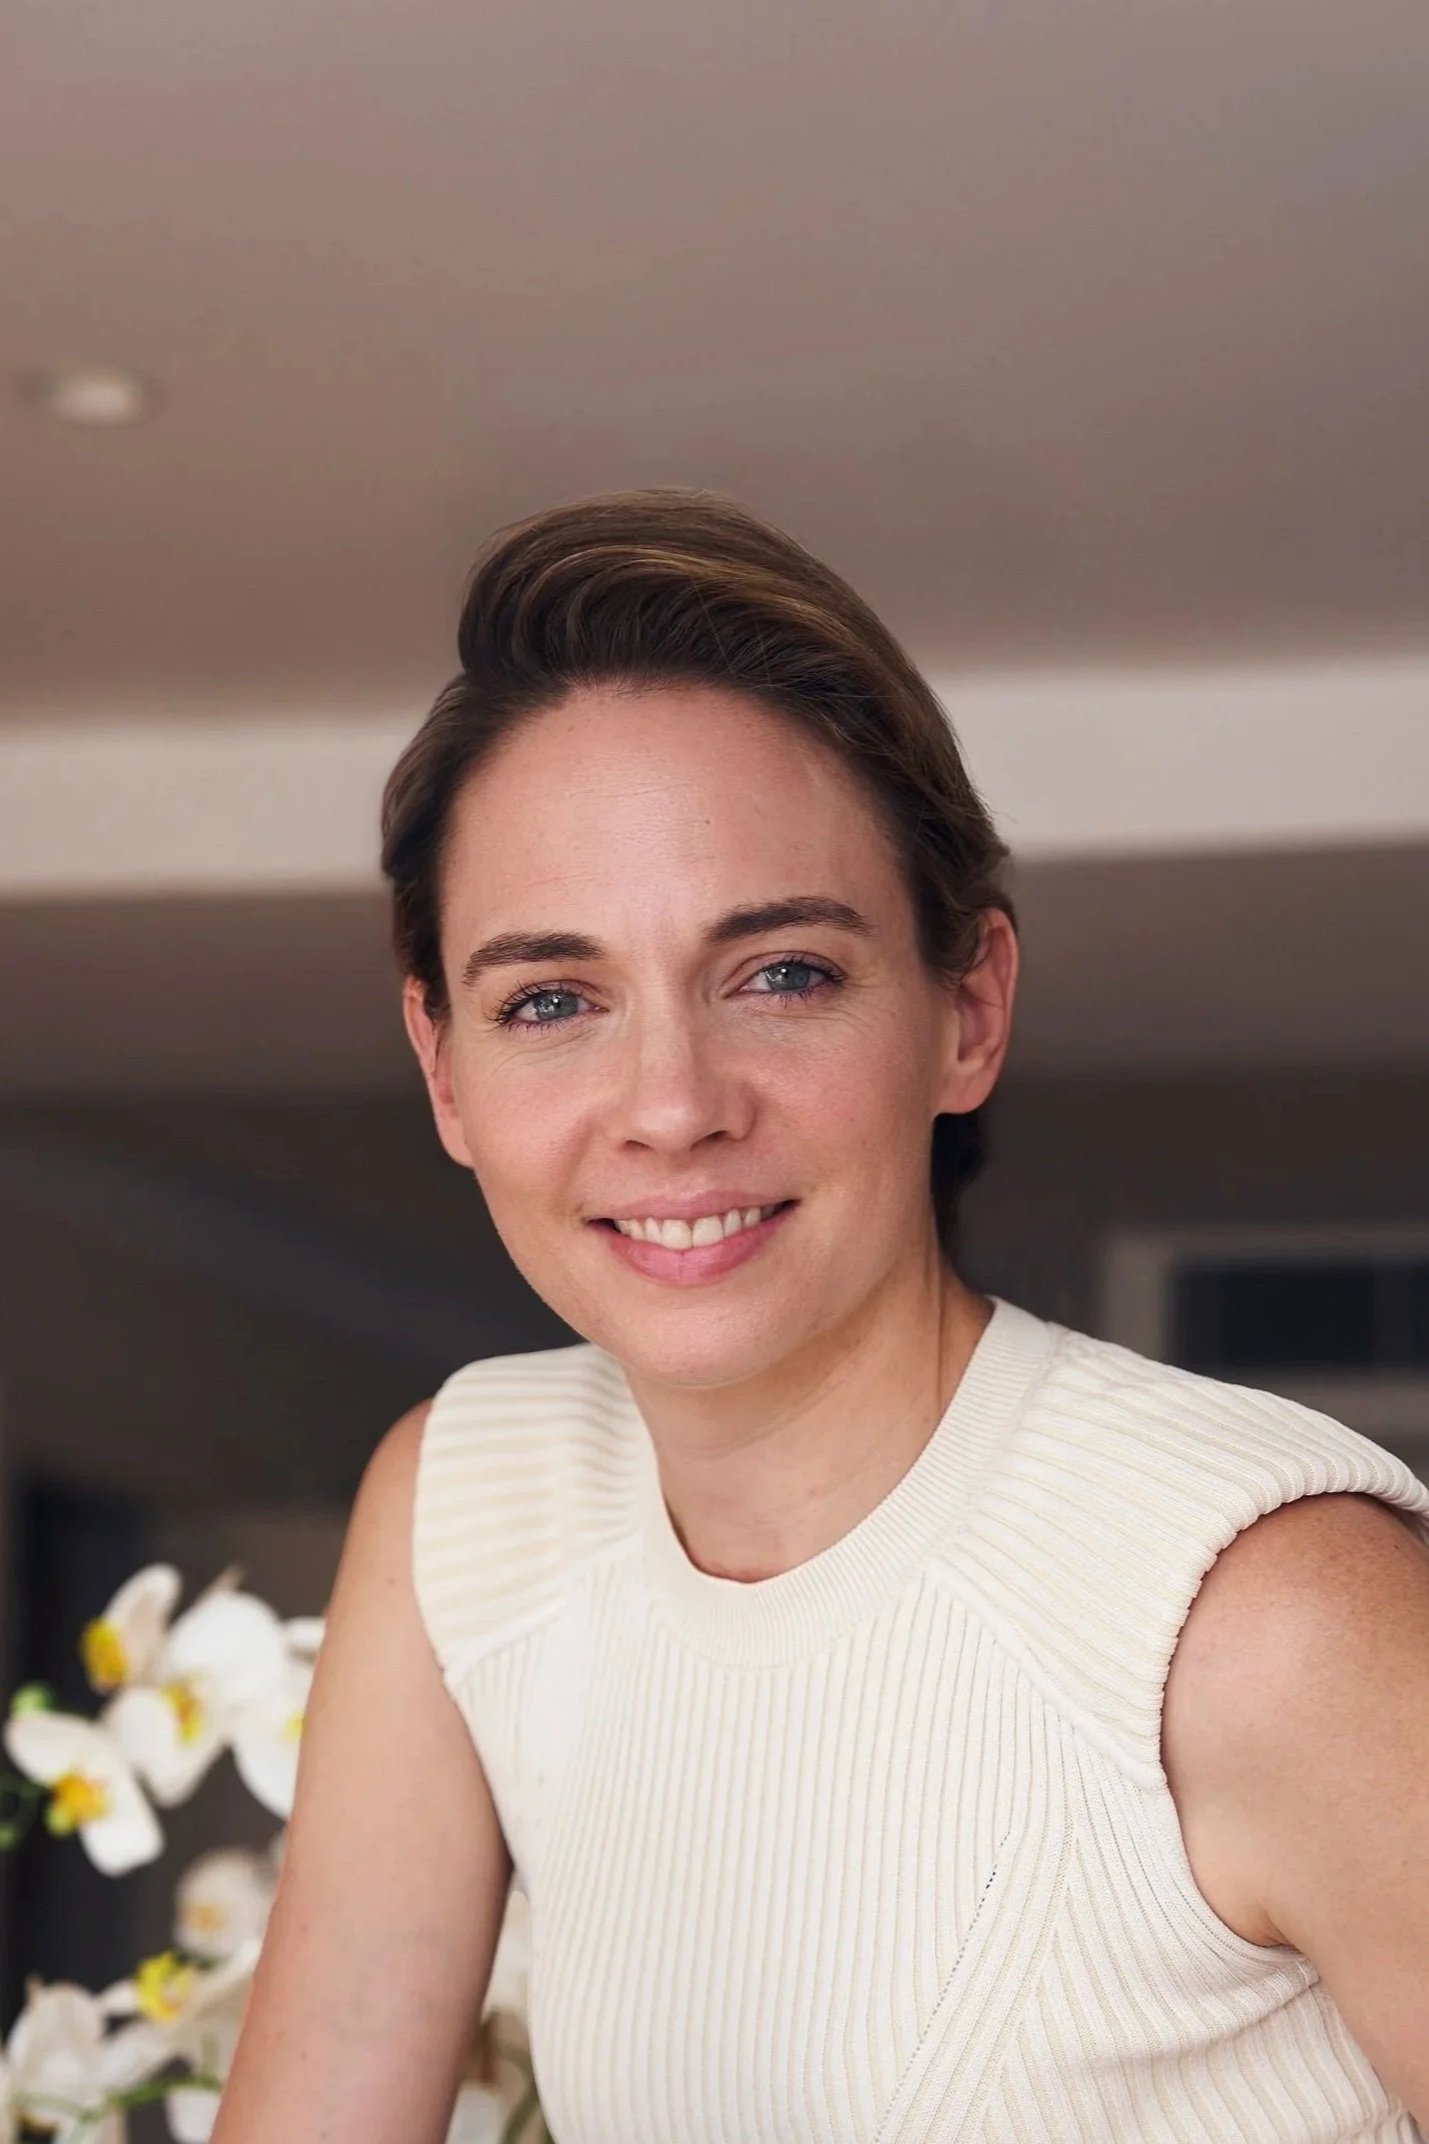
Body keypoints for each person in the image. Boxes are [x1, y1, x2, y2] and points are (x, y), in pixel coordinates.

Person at [213, 490, 1429, 2143]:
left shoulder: (1261, 1616)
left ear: (966, 1012)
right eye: (551, 1000)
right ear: (444, 1070)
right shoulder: (464, 1505)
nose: (669, 1105)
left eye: (778, 971)